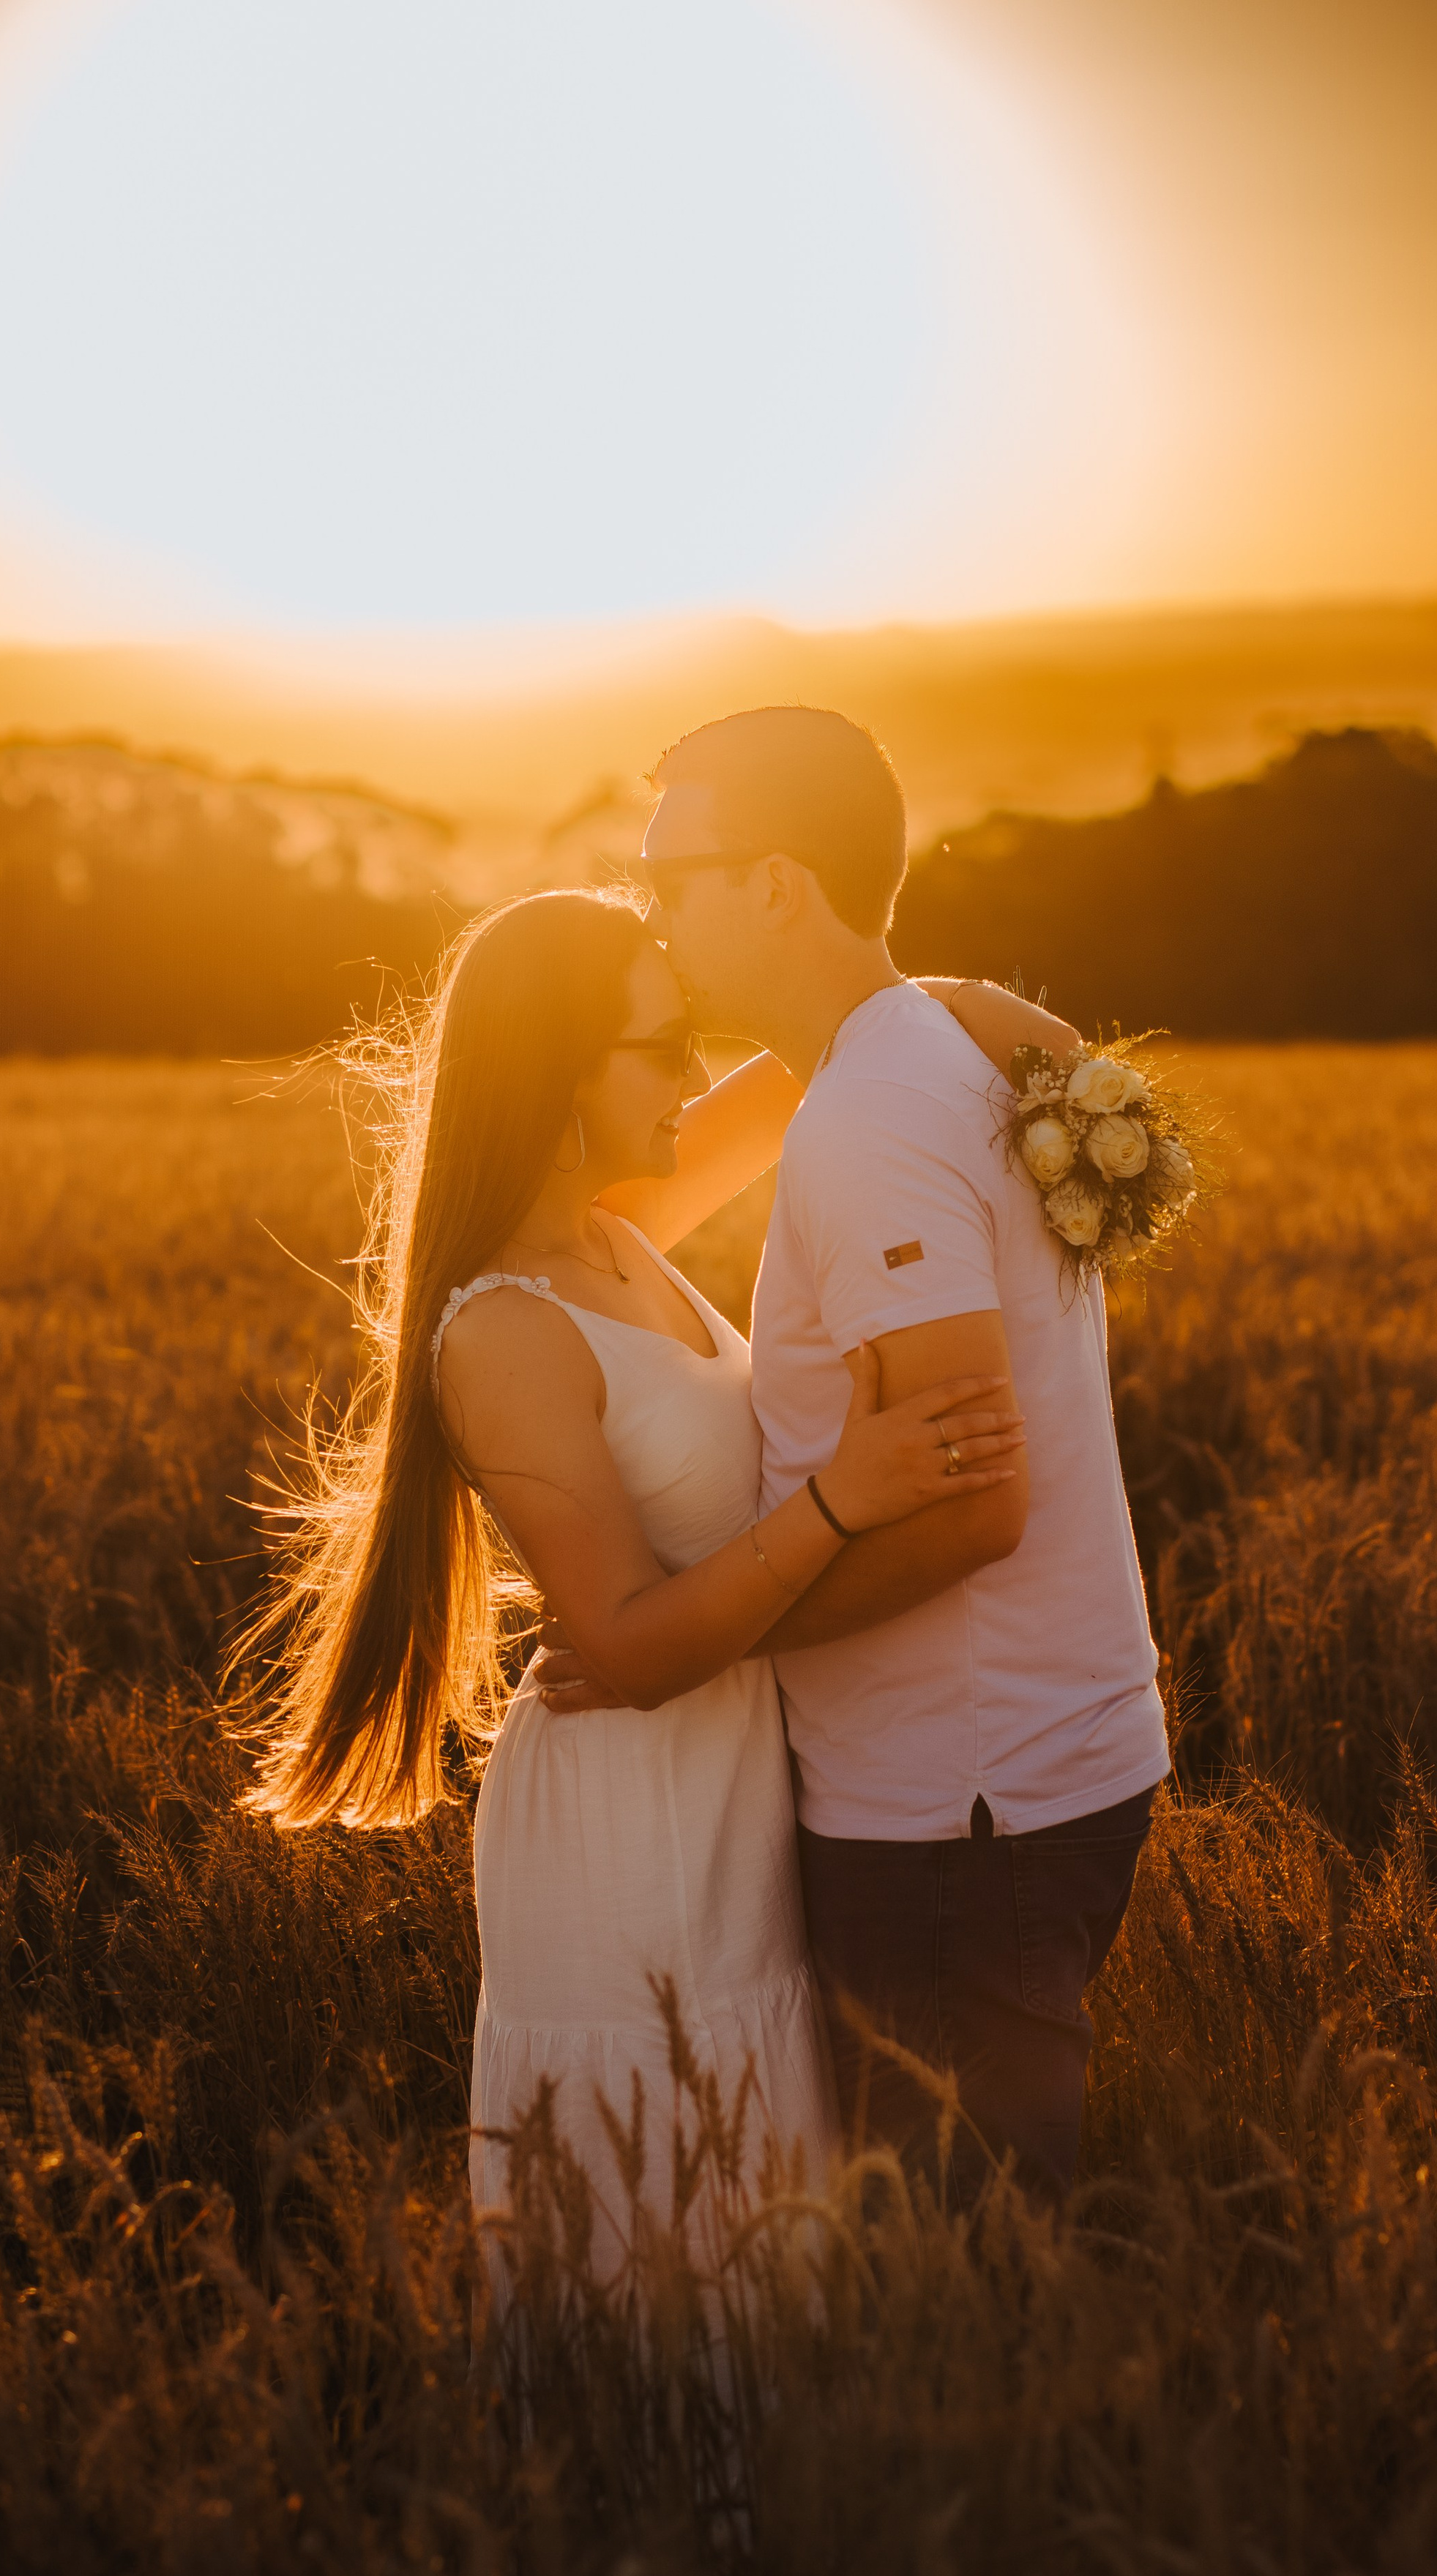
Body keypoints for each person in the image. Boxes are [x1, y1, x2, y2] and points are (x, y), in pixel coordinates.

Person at [241, 885, 1031, 2261]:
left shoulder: (620, 1224)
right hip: (630, 1825)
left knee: (757, 2219)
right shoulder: (502, 1330)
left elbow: (825, 1051)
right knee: (665, 2227)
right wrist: (848, 1495)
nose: (691, 1074)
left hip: (735, 1793)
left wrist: (1026, 1039)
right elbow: (630, 1651)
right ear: (558, 1074)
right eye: (659, 1045)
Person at [540, 708, 1169, 2203]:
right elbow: (614, 1216)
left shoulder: (873, 1116)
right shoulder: (911, 1051)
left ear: (773, 885)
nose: (654, 918)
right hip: (1023, 1760)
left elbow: (967, 1504)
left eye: (669, 880)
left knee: (964, 2271)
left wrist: (694, 1644)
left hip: (958, 1798)